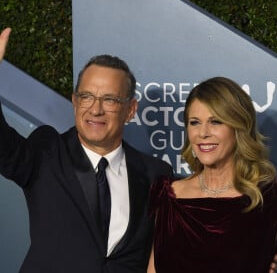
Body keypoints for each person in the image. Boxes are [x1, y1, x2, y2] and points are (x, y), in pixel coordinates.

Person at [0, 28, 173, 273]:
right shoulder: (47, 151)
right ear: (74, 101)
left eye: (110, 99)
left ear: (131, 110)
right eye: (87, 96)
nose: (95, 109)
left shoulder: (156, 173)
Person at [147, 76, 277, 273]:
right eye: (194, 122)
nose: (203, 133)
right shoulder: (170, 195)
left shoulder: (268, 198)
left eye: (216, 121)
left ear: (239, 127)